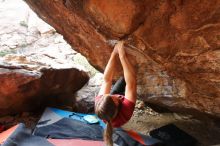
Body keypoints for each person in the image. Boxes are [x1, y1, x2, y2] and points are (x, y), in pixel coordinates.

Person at [95, 41, 137, 146]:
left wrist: (114, 52)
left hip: (112, 109)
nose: (112, 94)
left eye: (107, 95)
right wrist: (122, 56)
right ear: (117, 102)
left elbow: (107, 80)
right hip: (121, 110)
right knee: (131, 74)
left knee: (123, 78)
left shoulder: (101, 104)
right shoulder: (126, 110)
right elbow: (131, 83)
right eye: (113, 97)